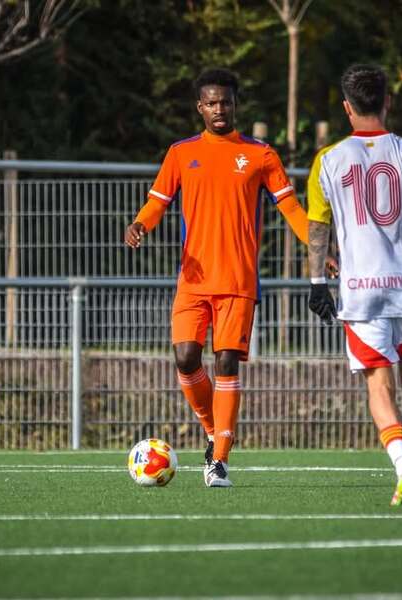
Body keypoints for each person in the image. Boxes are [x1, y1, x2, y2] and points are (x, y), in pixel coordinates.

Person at [125, 67, 311, 487]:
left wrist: (318, 249)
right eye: (211, 103)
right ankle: (213, 430)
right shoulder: (181, 153)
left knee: (226, 362)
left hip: (238, 281)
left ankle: (220, 460)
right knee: (185, 357)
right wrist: (139, 224)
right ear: (200, 108)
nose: (219, 109)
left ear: (235, 104)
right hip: (193, 279)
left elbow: (291, 209)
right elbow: (157, 202)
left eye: (225, 101)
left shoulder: (260, 155)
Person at [306, 63, 402, 505]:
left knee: (379, 383)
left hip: (362, 290)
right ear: (387, 102)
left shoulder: (328, 159)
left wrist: (317, 281)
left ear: (347, 107)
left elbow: (318, 227)